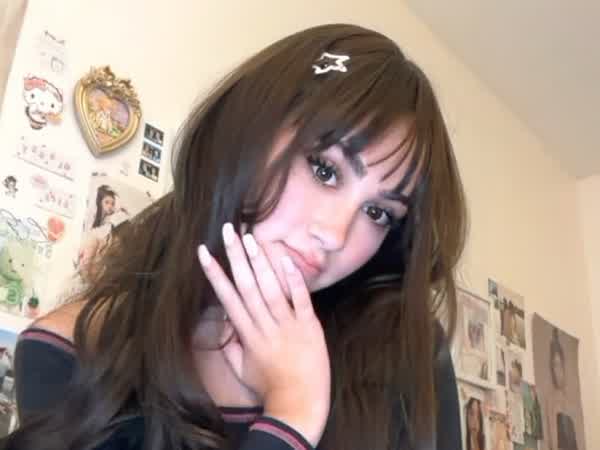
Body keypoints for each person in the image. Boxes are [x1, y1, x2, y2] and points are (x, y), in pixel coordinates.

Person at [4, 24, 467, 450]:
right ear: (247, 130)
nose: (334, 234)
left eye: (378, 213)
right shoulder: (71, 352)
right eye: (324, 169)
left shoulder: (406, 355)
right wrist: (292, 416)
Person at [542, 328, 578, 450]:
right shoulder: (551, 400)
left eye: (558, 365)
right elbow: (552, 441)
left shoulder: (571, 399)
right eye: (553, 366)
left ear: (564, 365)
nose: (556, 371)